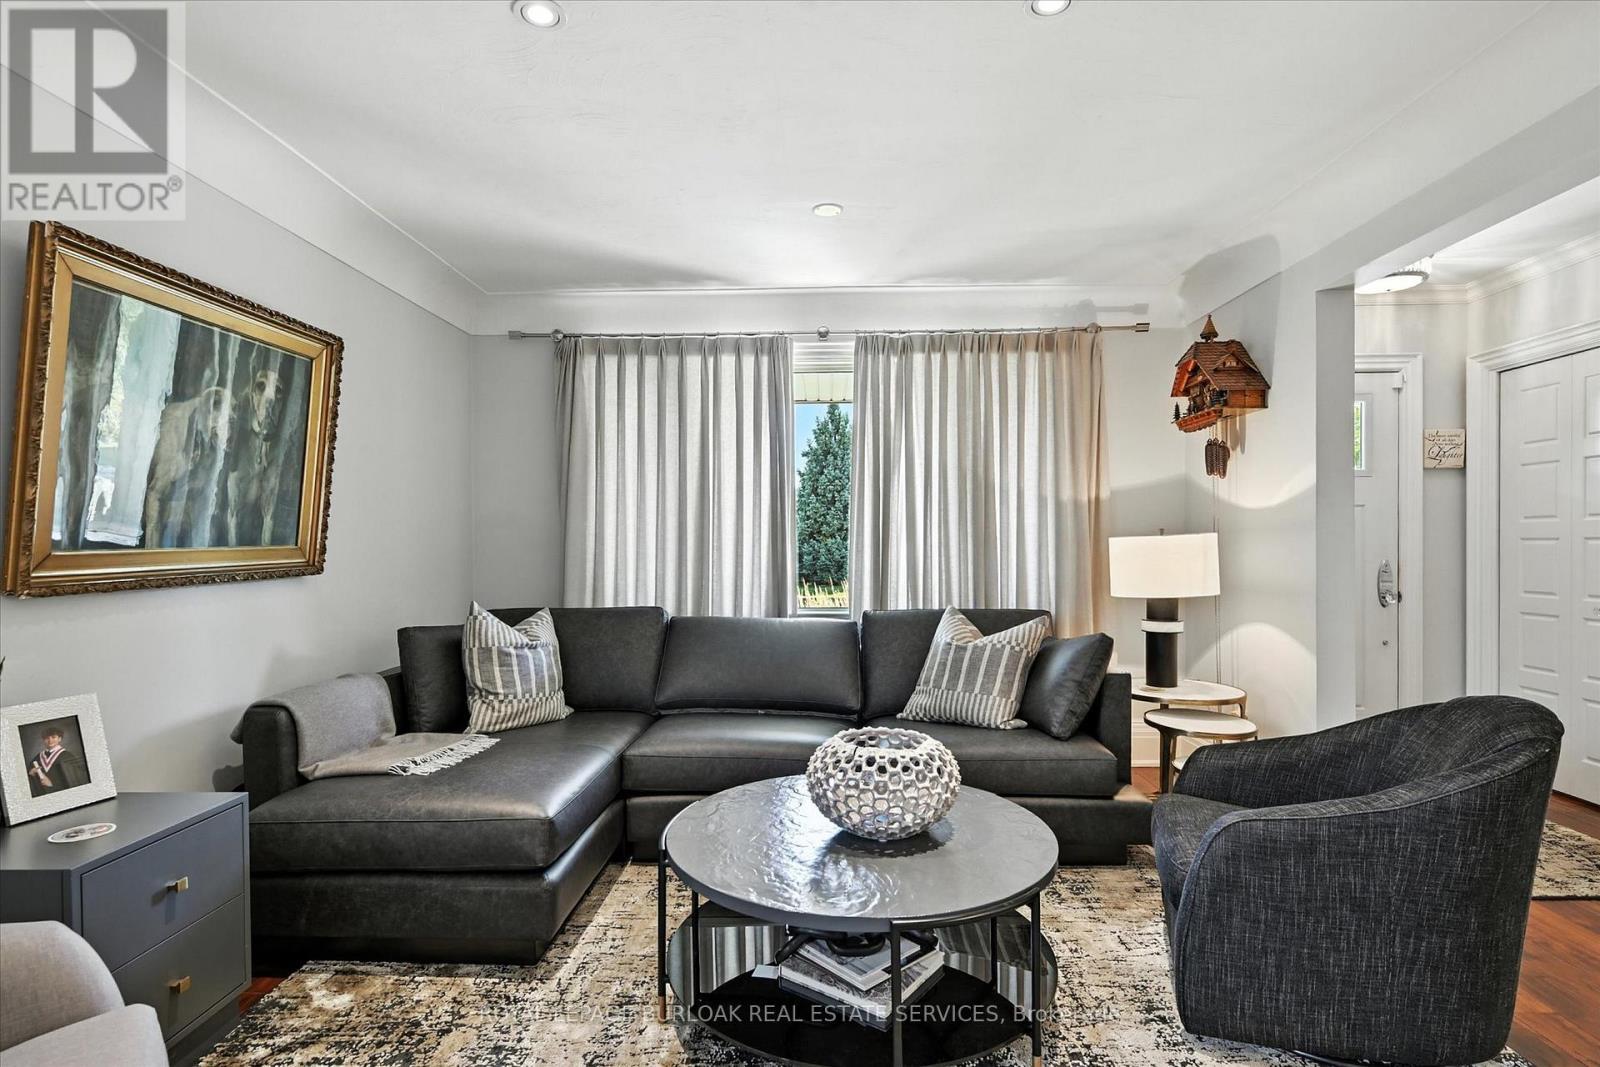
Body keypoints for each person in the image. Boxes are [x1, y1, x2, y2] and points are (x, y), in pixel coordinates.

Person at [27, 725, 89, 797]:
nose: (50, 740)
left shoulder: (67, 755)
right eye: (47, 738)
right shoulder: (38, 757)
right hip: (42, 795)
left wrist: (52, 784)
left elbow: (77, 777)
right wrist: (31, 773)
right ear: (43, 740)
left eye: (53, 737)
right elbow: (28, 775)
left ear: (59, 739)